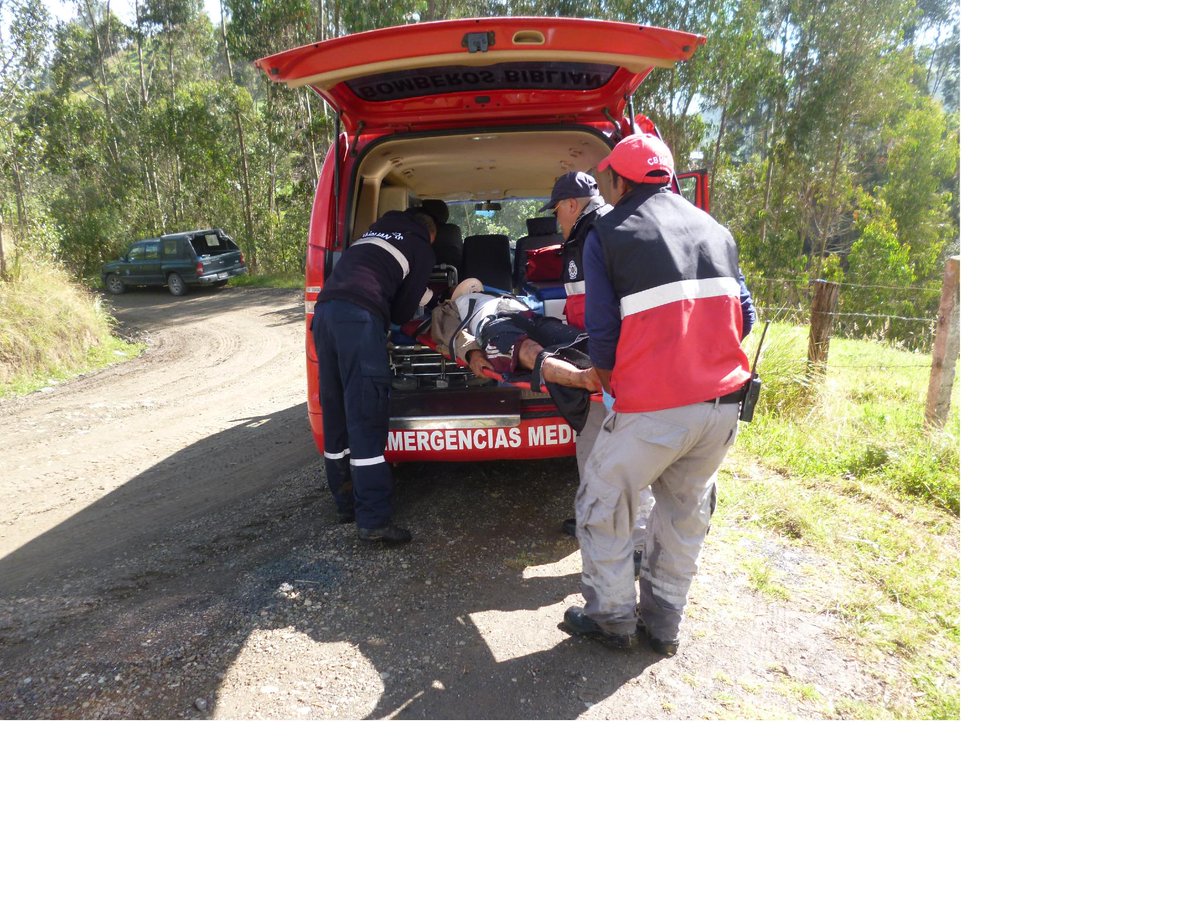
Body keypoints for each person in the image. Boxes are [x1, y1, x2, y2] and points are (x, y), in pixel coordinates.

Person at [561, 133, 757, 655]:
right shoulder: (716, 230)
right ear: (668, 178)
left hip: (652, 408)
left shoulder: (609, 233)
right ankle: (664, 622)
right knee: (683, 512)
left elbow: (602, 333)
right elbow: (747, 315)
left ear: (619, 181)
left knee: (605, 500)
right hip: (721, 409)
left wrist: (605, 378)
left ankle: (611, 618)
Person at [311, 208, 437, 544]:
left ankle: (345, 504)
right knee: (366, 414)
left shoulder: (368, 236)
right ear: (431, 232)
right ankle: (374, 520)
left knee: (336, 411)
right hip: (359, 319)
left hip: (324, 314)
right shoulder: (420, 244)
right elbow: (401, 311)